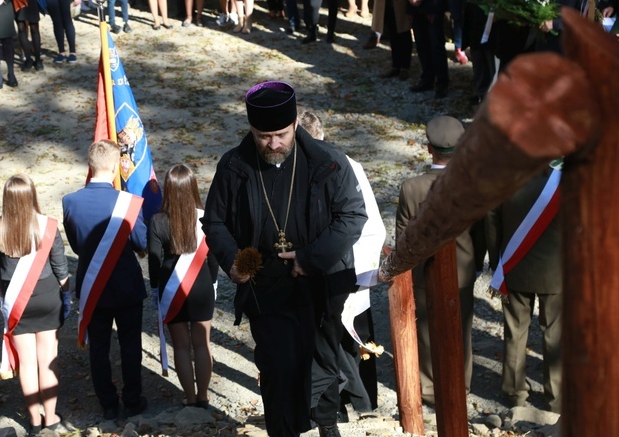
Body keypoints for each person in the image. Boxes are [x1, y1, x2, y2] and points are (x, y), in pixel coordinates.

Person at [202, 81, 367, 437]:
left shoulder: (328, 162)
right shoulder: (234, 166)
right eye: (264, 136)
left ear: (294, 125)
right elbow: (214, 222)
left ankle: (327, 427)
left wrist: (309, 257)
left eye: (280, 134)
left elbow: (353, 216)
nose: (273, 144)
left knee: (321, 361)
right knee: (277, 369)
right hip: (266, 290)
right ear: (251, 129)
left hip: (318, 286)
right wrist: (233, 260)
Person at [298, 110, 385, 419]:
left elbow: (367, 224)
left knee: (340, 342)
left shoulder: (346, 167)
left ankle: (358, 403)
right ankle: (342, 406)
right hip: (325, 270)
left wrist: (358, 274)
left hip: (344, 268)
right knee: (327, 341)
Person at [395, 116, 483, 405]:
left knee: (427, 331)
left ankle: (431, 389)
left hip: (424, 268)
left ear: (428, 148)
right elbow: (482, 231)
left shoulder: (411, 187)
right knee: (462, 328)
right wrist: (476, 262)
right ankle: (462, 384)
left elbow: (403, 236)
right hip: (463, 268)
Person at [62, 139, 149, 420]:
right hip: (126, 286)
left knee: (98, 348)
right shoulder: (127, 203)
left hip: (93, 285)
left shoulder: (70, 201)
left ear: (90, 165)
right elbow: (141, 242)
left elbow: (77, 246)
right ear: (114, 168)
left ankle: (108, 403)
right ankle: (133, 400)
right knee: (130, 345)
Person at [0, 174, 70, 436]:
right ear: (32, 196)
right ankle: (52, 417)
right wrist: (66, 297)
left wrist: (3, 300)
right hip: (46, 296)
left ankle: (34, 420)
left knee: (26, 362)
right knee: (48, 360)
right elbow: (61, 269)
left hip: (16, 299)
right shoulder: (47, 226)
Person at [487, 166, 562, 413]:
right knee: (554, 335)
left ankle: (514, 393)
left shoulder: (504, 180)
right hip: (556, 273)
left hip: (515, 269)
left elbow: (492, 222)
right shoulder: (566, 181)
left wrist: (497, 260)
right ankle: (556, 398)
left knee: (515, 332)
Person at [148, 164, 218, 408]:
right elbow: (214, 256)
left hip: (171, 286)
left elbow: (154, 262)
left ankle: (189, 397)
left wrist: (156, 289)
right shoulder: (205, 218)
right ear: (193, 188)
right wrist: (214, 281)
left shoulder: (157, 221)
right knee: (202, 343)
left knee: (180, 345)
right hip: (202, 284)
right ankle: (204, 397)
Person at [397, 0, 452, 98]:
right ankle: (427, 78)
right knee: (420, 43)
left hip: (432, 3)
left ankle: (442, 82)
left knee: (436, 44)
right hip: (412, 3)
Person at [461, 0, 501, 103]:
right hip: (472, 21)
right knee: (477, 60)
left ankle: (493, 98)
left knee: (491, 63)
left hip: (492, 25)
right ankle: (480, 92)